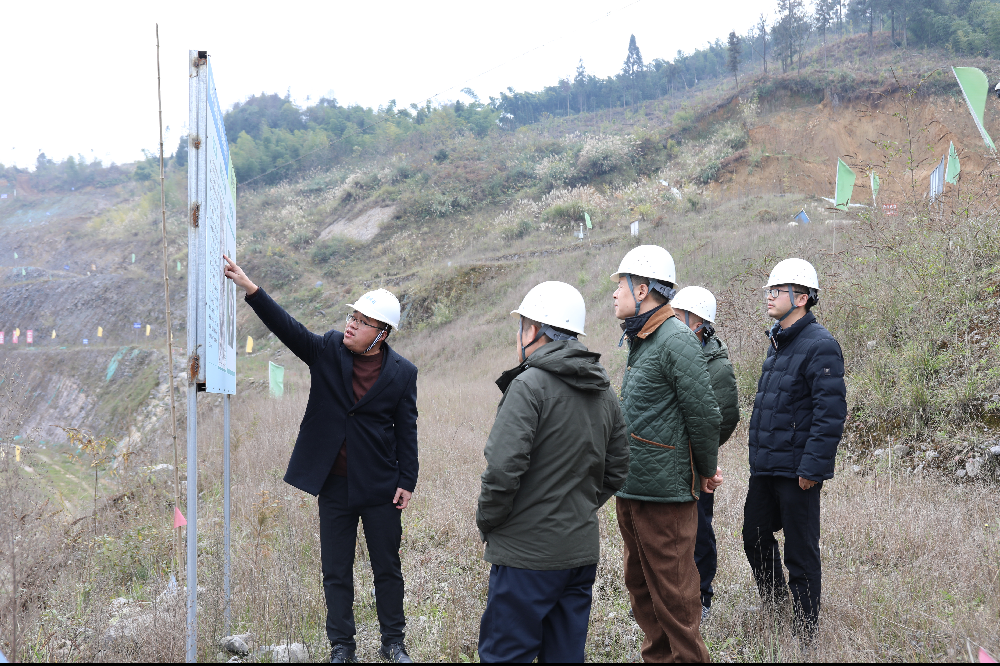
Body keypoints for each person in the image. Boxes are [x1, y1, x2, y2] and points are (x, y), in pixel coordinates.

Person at [223, 255, 417, 664]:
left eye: (362, 321)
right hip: (334, 484)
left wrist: (407, 480)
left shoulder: (402, 373)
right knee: (335, 569)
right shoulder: (328, 349)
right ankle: (342, 646)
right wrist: (251, 290)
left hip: (380, 485)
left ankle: (393, 643)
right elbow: (289, 329)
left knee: (387, 567)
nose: (352, 325)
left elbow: (406, 429)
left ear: (381, 334)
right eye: (352, 317)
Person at [476, 281, 629, 663]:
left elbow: (502, 470)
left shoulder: (528, 386)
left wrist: (489, 521)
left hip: (525, 557)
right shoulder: (605, 390)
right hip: (579, 554)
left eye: (521, 326)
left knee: (504, 656)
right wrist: (577, 508)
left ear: (533, 330)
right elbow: (617, 470)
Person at [611, 246, 722, 663]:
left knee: (675, 599)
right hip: (634, 488)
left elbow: (704, 414)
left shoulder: (675, 339)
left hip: (665, 495)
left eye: (621, 286)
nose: (615, 294)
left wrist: (706, 470)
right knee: (641, 591)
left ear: (642, 290)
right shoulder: (643, 338)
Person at [743, 258, 846, 642]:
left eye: (778, 290)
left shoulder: (820, 345)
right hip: (766, 466)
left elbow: (829, 413)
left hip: (797, 471)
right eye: (769, 289)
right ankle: (775, 604)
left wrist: (812, 468)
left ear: (801, 298)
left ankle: (806, 633)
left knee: (800, 553)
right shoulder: (778, 343)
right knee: (753, 537)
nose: (769, 296)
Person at [670, 286, 741, 622]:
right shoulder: (672, 351)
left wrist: (702, 453)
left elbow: (726, 417)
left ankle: (701, 596)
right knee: (668, 531)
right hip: (668, 460)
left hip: (696, 463)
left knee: (698, 531)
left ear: (698, 322)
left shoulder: (716, 365)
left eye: (678, 316)